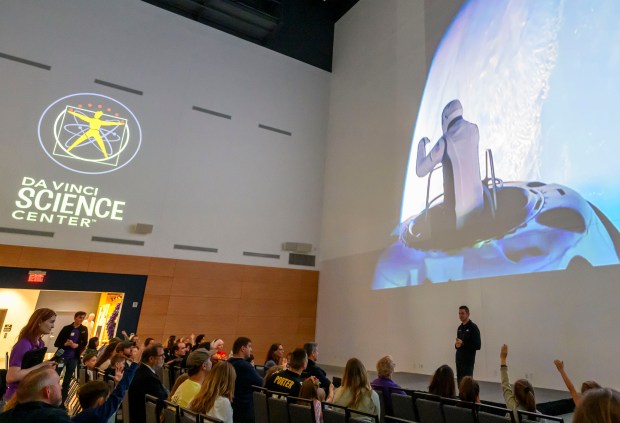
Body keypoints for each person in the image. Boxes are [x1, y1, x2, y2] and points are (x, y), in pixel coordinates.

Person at [415, 99, 483, 230]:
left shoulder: (444, 142)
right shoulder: (474, 130)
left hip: (458, 219)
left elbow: (421, 170)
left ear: (445, 118)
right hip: (480, 206)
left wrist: (421, 145)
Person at [72, 344, 142, 423]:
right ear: (100, 400)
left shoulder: (77, 418)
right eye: (107, 397)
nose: (108, 398)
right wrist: (135, 363)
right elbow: (119, 392)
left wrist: (117, 383)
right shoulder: (99, 415)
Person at [5, 308, 58, 400]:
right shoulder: (24, 344)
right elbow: (12, 377)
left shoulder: (40, 343)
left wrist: (45, 367)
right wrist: (41, 366)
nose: (53, 326)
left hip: (29, 393)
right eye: (51, 322)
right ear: (40, 321)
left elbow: (31, 369)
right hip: (16, 396)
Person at [0, 367, 68, 422]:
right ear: (47, 391)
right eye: (58, 383)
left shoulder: (4, 417)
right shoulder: (56, 418)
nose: (61, 387)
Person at [128, 343, 169, 423]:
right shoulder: (148, 377)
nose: (164, 357)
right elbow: (163, 400)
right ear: (151, 359)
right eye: (161, 355)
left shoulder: (141, 371)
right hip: (144, 418)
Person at [54, 311, 88, 405]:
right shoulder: (66, 328)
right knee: (56, 376)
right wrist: (66, 344)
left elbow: (84, 343)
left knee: (67, 379)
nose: (81, 319)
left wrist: (76, 345)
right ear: (75, 317)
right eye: (80, 317)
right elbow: (57, 343)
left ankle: (62, 402)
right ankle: (53, 398)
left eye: (83, 318)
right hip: (62, 356)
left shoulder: (84, 329)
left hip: (73, 358)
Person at [228, 337, 263, 423]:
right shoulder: (245, 366)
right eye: (249, 346)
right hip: (244, 410)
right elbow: (262, 383)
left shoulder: (227, 363)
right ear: (243, 348)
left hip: (231, 406)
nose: (251, 349)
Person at [500, 344, 538, 421]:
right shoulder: (539, 417)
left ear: (515, 396)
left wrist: (503, 359)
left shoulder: (512, 406)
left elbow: (505, 385)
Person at [455, 305, 481, 383]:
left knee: (467, 382)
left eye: (462, 313)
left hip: (468, 361)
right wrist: (456, 345)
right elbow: (458, 344)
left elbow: (478, 345)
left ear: (468, 314)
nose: (460, 315)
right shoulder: (459, 328)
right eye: (459, 313)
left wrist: (463, 344)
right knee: (459, 381)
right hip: (459, 359)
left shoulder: (473, 327)